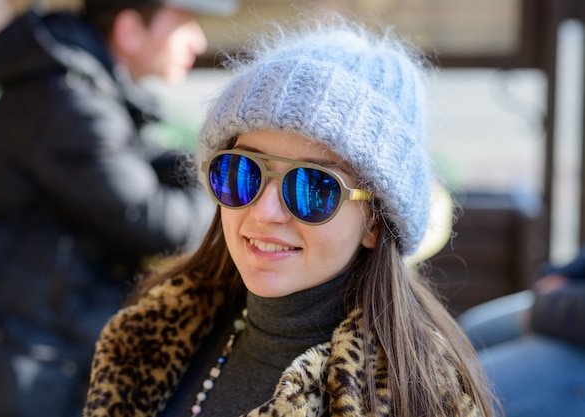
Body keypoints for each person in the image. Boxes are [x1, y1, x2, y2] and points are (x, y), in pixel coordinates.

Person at [82, 18, 495, 417]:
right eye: (243, 172)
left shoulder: (417, 398)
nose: (264, 212)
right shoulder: (146, 337)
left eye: (313, 187)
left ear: (373, 222)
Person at [0, 0, 239, 416]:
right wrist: (222, 190)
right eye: (184, 24)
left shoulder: (82, 90)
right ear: (129, 30)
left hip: (24, 349)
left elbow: (141, 164)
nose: (197, 41)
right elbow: (152, 221)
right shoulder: (67, 101)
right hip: (12, 365)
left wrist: (196, 168)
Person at [458, 246, 585, 417]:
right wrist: (561, 273)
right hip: (567, 301)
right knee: (465, 332)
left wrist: (542, 312)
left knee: (460, 391)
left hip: (570, 322)